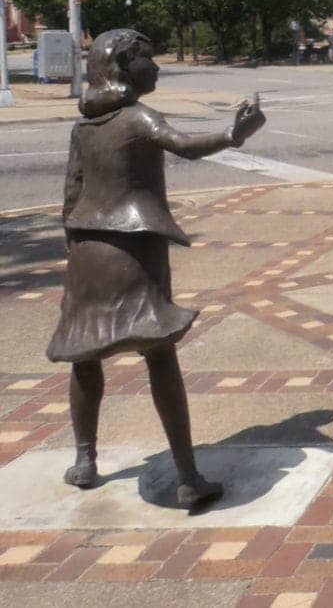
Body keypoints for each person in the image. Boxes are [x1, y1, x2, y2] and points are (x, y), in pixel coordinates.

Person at [46, 29, 264, 508]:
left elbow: (70, 195)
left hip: (87, 248)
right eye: (148, 58)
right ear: (126, 66)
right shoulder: (139, 118)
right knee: (159, 351)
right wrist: (233, 134)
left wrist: (74, 248)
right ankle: (187, 476)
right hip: (134, 247)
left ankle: (85, 461)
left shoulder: (84, 129)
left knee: (85, 354)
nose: (158, 66)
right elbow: (184, 145)